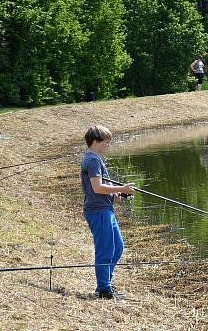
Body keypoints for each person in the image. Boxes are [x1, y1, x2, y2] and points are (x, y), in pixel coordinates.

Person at [81, 125, 134, 299]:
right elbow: (97, 187)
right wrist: (123, 187)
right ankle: (103, 289)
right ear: (95, 142)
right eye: (106, 142)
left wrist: (117, 194)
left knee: (117, 247)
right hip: (98, 211)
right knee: (105, 250)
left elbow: (100, 187)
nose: (108, 145)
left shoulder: (95, 158)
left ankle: (105, 284)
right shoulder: (93, 160)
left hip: (106, 209)